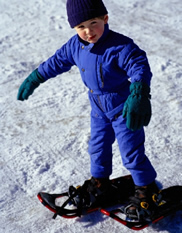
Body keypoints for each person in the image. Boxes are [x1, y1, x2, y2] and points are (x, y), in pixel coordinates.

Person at [17, 0, 159, 221]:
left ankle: (146, 189)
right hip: (98, 108)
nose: (88, 31)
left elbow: (138, 64)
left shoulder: (120, 46)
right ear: (74, 28)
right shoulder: (74, 46)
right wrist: (36, 77)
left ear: (105, 18)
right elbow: (56, 62)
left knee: (131, 150)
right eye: (81, 26)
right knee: (97, 146)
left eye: (93, 22)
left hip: (124, 106)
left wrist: (139, 92)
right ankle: (100, 183)